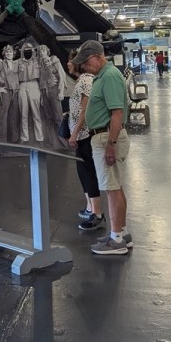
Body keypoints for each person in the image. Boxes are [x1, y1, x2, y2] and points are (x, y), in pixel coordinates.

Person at [70, 40, 131, 255]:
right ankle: (120, 232)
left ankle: (116, 241)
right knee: (115, 187)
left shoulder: (110, 76)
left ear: (97, 57)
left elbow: (117, 113)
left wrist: (111, 145)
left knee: (112, 190)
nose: (84, 67)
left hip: (106, 137)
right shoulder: (102, 76)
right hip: (104, 136)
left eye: (86, 62)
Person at [66, 52, 103, 231]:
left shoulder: (87, 81)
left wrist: (74, 133)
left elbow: (84, 112)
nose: (68, 63)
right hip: (80, 135)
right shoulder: (82, 80)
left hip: (84, 135)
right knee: (83, 171)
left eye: (71, 61)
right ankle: (90, 207)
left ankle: (97, 213)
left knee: (88, 172)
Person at [0, 45, 21, 142]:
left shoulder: (16, 64)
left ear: (13, 53)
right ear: (4, 54)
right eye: (7, 52)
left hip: (15, 92)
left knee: (14, 117)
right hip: (5, 92)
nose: (9, 53)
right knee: (2, 117)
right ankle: (0, 142)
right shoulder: (0, 63)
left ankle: (14, 140)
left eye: (10, 51)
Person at [17, 43, 43, 142]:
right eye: (25, 50)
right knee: (23, 113)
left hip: (34, 84)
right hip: (22, 85)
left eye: (29, 50)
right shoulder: (17, 62)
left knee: (36, 114)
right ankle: (24, 138)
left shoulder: (38, 61)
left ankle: (40, 138)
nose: (27, 51)